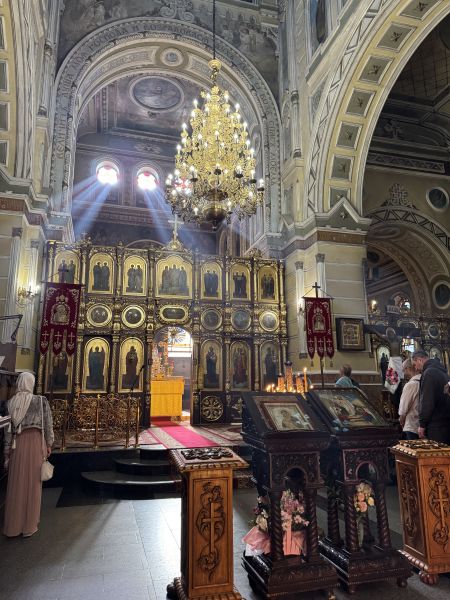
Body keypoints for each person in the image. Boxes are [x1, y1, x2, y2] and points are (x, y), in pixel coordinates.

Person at [3, 372, 54, 538]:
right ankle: (29, 526)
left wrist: (7, 451)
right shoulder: (40, 401)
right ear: (30, 383)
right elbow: (48, 424)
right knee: (33, 484)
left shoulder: (11, 402)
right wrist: (49, 444)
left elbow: (8, 431)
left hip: (16, 445)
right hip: (35, 443)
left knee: (16, 483)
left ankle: (13, 526)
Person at [412, 349, 450, 444]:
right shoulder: (442, 371)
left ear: (420, 360)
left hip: (436, 426)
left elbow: (427, 401)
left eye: (415, 364)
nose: (416, 368)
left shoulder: (429, 373)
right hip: (446, 423)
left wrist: (422, 424)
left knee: (436, 452)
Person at [398, 358, 420, 440]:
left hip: (412, 426)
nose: (403, 373)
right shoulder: (424, 380)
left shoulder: (411, 384)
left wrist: (401, 419)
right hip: (423, 425)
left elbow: (404, 407)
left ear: (408, 368)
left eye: (404, 370)